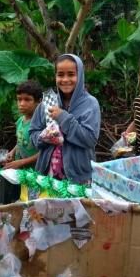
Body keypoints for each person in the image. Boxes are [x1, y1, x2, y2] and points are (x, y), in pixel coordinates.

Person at [30, 54, 101, 184]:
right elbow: (33, 132)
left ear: (80, 76)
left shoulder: (90, 104)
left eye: (71, 74)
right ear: (55, 76)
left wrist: (63, 117)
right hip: (48, 175)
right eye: (60, 74)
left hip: (78, 177)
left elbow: (90, 139)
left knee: (77, 204)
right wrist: (44, 137)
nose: (65, 79)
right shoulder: (48, 102)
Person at [4, 80, 42, 170]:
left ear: (39, 102)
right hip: (21, 171)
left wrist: (22, 162)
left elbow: (46, 152)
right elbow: (20, 141)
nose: (22, 104)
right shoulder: (20, 121)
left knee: (31, 184)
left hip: (35, 173)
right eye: (19, 99)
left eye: (27, 99)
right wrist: (12, 152)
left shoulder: (41, 125)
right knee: (21, 184)